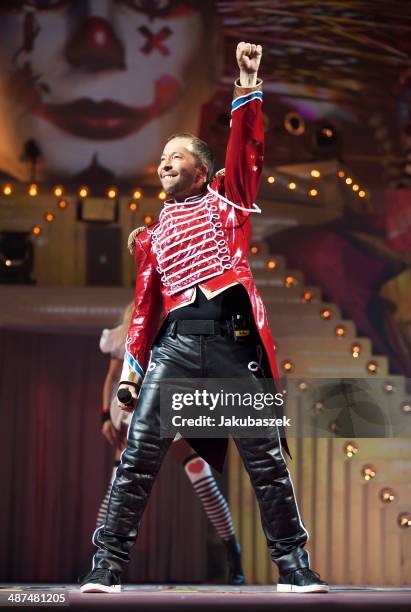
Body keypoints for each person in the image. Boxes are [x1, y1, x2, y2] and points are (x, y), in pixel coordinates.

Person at [80, 42, 329, 594]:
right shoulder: (150, 237)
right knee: (138, 458)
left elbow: (247, 148)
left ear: (203, 172)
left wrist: (248, 81)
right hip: (174, 351)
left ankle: (293, 566)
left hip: (234, 344)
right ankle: (106, 565)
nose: (164, 161)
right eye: (161, 156)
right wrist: (128, 378)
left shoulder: (228, 203)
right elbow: (144, 313)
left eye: (176, 155)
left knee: (265, 459)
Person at [97, 303, 245, 584]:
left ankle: (233, 554)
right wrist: (105, 415)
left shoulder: (179, 325)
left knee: (204, 483)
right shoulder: (127, 333)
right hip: (136, 411)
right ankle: (102, 559)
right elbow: (111, 379)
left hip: (174, 407)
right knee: (119, 487)